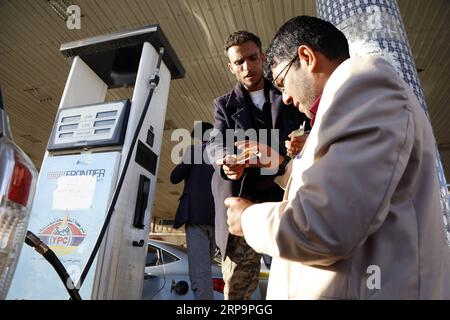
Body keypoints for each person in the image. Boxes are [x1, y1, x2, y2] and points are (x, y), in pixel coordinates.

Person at [225, 16, 450, 299]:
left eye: (282, 83)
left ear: (306, 57)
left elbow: (325, 224)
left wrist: (247, 218)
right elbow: (341, 186)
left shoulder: (363, 83)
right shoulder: (346, 102)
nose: (286, 98)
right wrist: (282, 165)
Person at [207, 30, 309, 299]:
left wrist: (305, 140)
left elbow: (313, 127)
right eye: (239, 62)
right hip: (242, 208)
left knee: (296, 286)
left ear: (262, 57)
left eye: (252, 58)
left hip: (284, 204)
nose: (247, 67)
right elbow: (215, 142)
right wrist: (225, 161)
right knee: (237, 292)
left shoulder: (289, 93)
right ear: (231, 67)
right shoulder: (223, 105)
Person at [170, 121, 217, 300]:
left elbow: (174, 177)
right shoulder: (224, 152)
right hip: (218, 220)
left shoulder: (195, 151)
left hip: (196, 217)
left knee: (200, 272)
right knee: (208, 268)